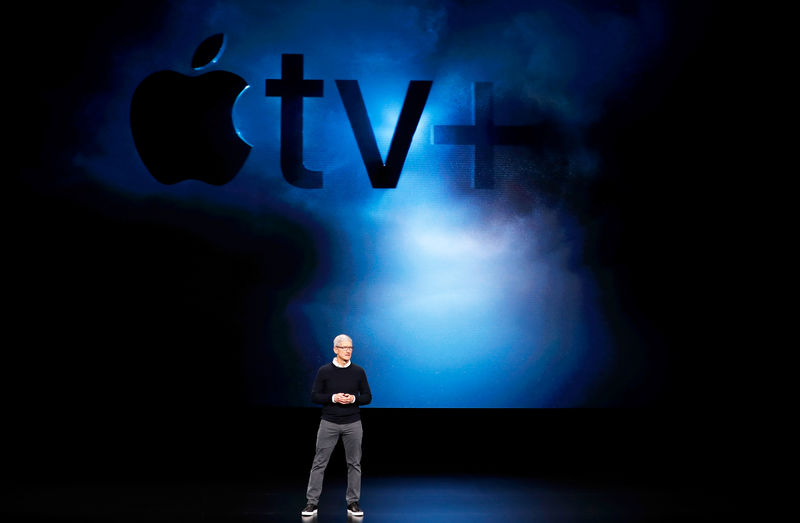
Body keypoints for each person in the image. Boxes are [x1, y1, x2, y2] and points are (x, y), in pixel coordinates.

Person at [301, 334, 372, 517]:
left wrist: (353, 399)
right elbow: (315, 396)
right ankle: (311, 503)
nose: (348, 350)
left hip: (353, 423)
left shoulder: (358, 371)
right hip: (329, 423)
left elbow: (367, 396)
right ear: (335, 349)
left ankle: (353, 503)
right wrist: (334, 398)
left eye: (350, 348)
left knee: (354, 463)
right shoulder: (324, 371)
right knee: (319, 463)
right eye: (344, 347)